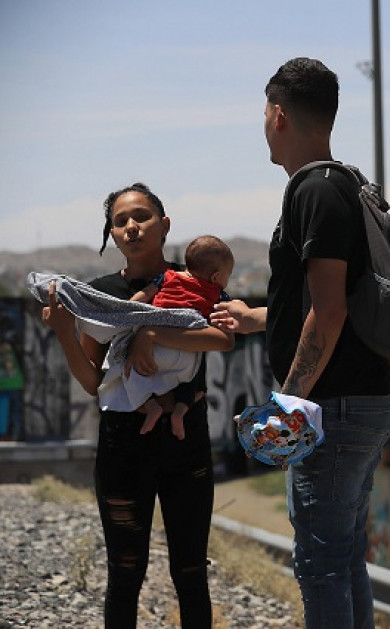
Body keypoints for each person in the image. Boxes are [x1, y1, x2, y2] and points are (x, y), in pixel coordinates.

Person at [210, 57, 390, 629]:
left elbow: (330, 310)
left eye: (264, 114)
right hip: (361, 400)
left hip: (331, 407)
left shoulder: (313, 190)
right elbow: (328, 302)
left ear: (278, 114)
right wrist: (258, 317)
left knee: (321, 565)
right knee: (344, 558)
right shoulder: (346, 184)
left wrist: (288, 402)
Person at [42, 182, 235, 628]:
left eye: (141, 217)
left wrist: (150, 332)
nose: (131, 226)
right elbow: (93, 380)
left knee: (191, 572)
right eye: (120, 221)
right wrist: (64, 333)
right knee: (125, 573)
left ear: (164, 225)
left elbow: (222, 338)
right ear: (112, 234)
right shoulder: (101, 294)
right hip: (123, 445)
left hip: (186, 444)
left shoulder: (194, 280)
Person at [130, 234, 235, 440]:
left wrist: (128, 311)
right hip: (187, 349)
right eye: (228, 275)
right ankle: (179, 412)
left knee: (133, 373)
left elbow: (142, 296)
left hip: (155, 349)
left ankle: (150, 406)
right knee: (193, 378)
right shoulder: (217, 294)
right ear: (215, 277)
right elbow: (226, 322)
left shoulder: (166, 277)